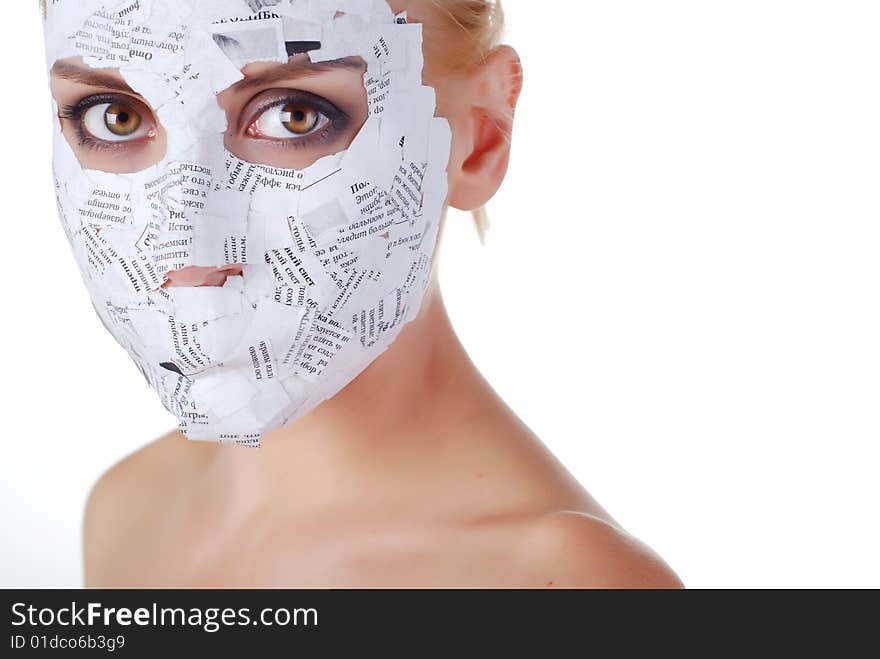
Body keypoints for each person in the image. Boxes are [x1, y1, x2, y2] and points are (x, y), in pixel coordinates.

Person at [46, 0, 683, 588]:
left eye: (294, 114)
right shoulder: (126, 509)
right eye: (114, 116)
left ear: (481, 138)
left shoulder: (569, 587)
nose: (184, 248)